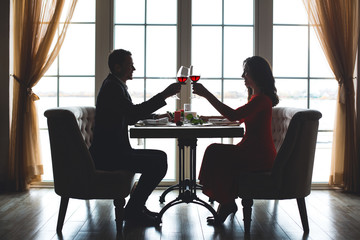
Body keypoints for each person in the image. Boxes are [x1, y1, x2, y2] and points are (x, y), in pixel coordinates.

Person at [89, 49, 181, 226]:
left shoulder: (114, 85)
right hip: (109, 156)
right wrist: (164, 94)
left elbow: (129, 116)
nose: (134, 69)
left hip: (113, 152)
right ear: (118, 67)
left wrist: (156, 117)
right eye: (130, 65)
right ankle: (133, 210)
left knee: (160, 157)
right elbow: (133, 113)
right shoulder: (113, 87)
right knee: (158, 162)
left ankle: (135, 207)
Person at [192, 56, 279, 225]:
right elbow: (238, 118)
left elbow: (233, 115)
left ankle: (227, 203)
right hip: (252, 151)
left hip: (259, 156)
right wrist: (208, 117)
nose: (243, 75)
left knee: (214, 151)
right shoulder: (257, 99)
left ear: (257, 75)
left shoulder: (261, 100)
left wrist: (207, 95)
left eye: (246, 72)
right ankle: (227, 202)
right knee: (216, 152)